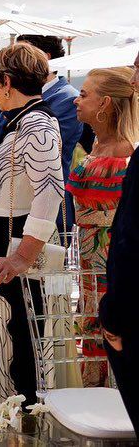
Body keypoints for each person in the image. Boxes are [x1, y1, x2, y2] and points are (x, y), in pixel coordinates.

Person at [0, 42, 64, 424]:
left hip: (15, 243)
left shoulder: (38, 124)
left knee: (22, 340)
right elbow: (2, 180)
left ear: (6, 81)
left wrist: (22, 256)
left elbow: (49, 193)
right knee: (9, 336)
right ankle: (10, 418)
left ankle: (27, 422)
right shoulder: (20, 120)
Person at [66, 67, 139, 388]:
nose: (76, 101)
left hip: (111, 261)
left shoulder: (127, 156)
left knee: (111, 329)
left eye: (84, 95)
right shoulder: (92, 147)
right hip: (85, 262)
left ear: (105, 103)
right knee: (91, 327)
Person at [100, 51, 139, 432]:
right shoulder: (94, 146)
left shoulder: (131, 152)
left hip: (110, 253)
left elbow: (131, 236)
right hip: (90, 242)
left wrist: (115, 310)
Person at [17, 34, 91, 232]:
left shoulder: (67, 99)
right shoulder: (19, 99)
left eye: (20, 56)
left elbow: (38, 149)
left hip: (50, 208)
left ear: (45, 57)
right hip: (19, 205)